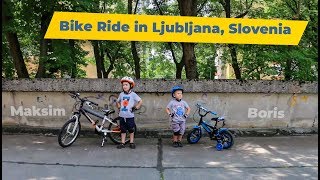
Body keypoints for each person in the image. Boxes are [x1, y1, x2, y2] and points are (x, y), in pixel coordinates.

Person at [116, 76, 142, 149]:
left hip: (130, 116)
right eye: (123, 85)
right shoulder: (121, 94)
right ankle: (122, 142)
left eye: (126, 85)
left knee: (131, 129)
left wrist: (136, 107)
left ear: (131, 85)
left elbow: (140, 101)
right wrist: (118, 106)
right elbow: (117, 101)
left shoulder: (133, 94)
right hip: (122, 116)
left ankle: (131, 142)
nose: (124, 86)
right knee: (123, 130)